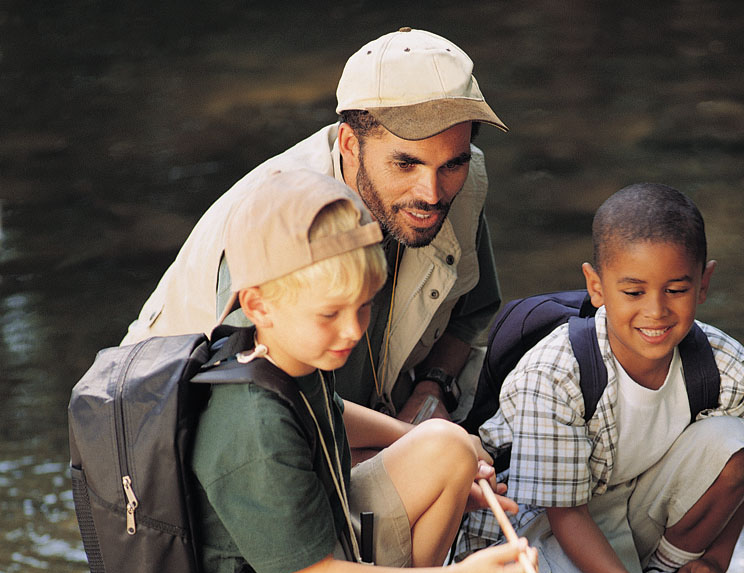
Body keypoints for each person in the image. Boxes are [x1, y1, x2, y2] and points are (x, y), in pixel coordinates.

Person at [189, 169, 532, 573]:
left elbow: (332, 410)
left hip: (323, 554)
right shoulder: (250, 425)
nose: (351, 331)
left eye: (365, 307)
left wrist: (440, 457)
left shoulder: (283, 347)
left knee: (449, 445)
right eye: (330, 314)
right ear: (259, 304)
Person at [458, 183, 744, 573]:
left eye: (677, 289)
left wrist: (716, 561)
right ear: (596, 285)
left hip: (630, 505)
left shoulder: (724, 364)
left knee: (736, 444)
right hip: (543, 522)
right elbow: (567, 513)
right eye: (633, 291)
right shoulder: (556, 373)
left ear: (704, 283)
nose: (656, 311)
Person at [122, 27, 507, 425]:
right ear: (349, 145)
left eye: (453, 163)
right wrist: (420, 444)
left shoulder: (466, 182)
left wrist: (433, 389)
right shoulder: (276, 218)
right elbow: (257, 406)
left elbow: (471, 314)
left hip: (363, 422)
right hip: (209, 440)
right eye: (405, 164)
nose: (431, 193)